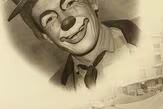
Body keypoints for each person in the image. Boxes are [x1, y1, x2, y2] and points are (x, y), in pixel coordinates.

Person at [6, 0, 141, 90]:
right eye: (49, 19)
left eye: (70, 2)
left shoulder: (151, 31)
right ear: (47, 37)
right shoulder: (56, 88)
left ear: (92, 2)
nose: (66, 20)